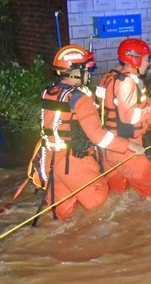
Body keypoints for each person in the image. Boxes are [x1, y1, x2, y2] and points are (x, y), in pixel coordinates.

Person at [36, 44, 138, 220]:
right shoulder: (79, 98)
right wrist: (129, 145)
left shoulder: (48, 93)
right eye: (86, 69)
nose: (88, 74)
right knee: (104, 212)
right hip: (75, 164)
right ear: (74, 71)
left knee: (63, 217)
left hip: (51, 163)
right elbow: (99, 137)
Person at [96, 38, 151, 198]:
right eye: (147, 59)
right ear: (135, 58)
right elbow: (128, 117)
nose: (148, 63)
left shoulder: (110, 77)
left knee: (121, 197)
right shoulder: (127, 82)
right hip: (126, 149)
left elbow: (114, 106)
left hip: (109, 147)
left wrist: (150, 102)